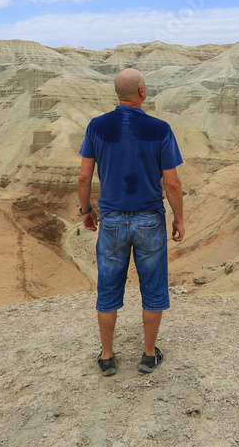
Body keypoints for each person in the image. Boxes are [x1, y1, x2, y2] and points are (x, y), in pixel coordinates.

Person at [77, 68, 185, 376]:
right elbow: (173, 183)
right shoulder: (160, 129)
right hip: (149, 219)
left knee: (108, 289)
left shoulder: (96, 127)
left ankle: (108, 357)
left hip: (110, 220)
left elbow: (84, 176)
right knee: (153, 288)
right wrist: (179, 219)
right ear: (141, 92)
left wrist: (86, 210)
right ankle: (148, 355)